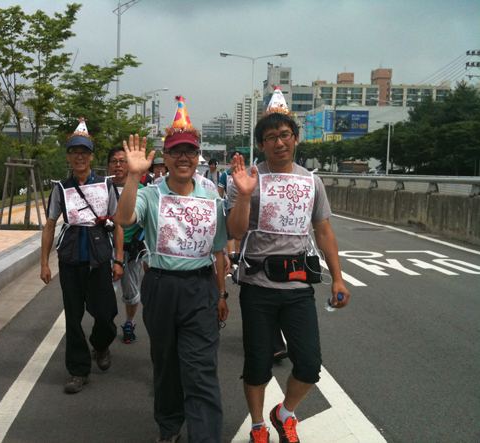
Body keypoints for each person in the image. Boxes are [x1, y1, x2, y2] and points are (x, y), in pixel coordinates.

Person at [227, 87, 350, 443]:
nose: (279, 142)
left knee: (310, 364)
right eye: (270, 137)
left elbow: (323, 231)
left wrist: (338, 279)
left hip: (298, 288)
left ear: (295, 139)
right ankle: (257, 425)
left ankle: (284, 414)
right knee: (257, 363)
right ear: (261, 144)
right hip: (257, 287)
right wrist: (245, 194)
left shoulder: (312, 181)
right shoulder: (248, 180)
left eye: (285, 135)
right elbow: (234, 231)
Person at [114, 96, 228, 443]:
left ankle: (204, 437)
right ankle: (169, 426)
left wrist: (221, 293)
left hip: (200, 289)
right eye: (176, 151)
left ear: (198, 158)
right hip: (161, 287)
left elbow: (220, 250)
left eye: (190, 152)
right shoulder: (150, 194)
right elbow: (122, 218)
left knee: (201, 370)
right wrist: (133, 176)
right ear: (165, 157)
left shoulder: (212, 199)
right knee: (165, 365)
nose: (183, 158)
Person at [40, 118, 123, 394]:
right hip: (71, 257)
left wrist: (119, 259)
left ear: (91, 156)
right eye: (74, 151)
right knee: (73, 316)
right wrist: (44, 263)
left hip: (100, 256)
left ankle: (101, 344)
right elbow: (50, 224)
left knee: (107, 313)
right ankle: (78, 370)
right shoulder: (60, 189)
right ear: (68, 156)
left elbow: (119, 222)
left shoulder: (105, 186)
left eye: (84, 151)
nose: (79, 156)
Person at [108, 146, 145, 344]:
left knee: (130, 291)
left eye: (123, 161)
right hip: (106, 250)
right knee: (105, 292)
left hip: (132, 251)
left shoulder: (141, 190)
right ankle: (104, 331)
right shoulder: (102, 187)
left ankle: (129, 322)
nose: (119, 164)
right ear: (108, 165)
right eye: (114, 161)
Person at [219, 151, 241, 263]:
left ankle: (238, 255)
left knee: (240, 234)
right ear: (231, 161)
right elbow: (220, 192)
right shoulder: (225, 175)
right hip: (228, 208)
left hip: (241, 208)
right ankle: (230, 256)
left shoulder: (245, 174)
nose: (236, 161)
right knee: (229, 234)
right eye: (234, 159)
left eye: (239, 158)